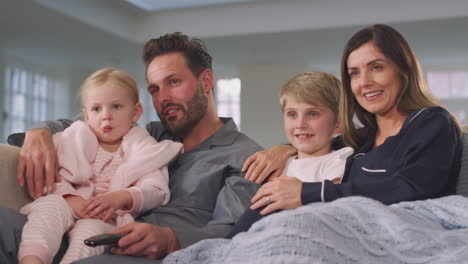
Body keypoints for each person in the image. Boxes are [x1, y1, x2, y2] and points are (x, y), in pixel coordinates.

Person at [0, 33, 262, 263]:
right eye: (154, 89)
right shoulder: (148, 134)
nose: (163, 98)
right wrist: (40, 132)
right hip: (81, 227)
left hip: (154, 253)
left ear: (206, 82)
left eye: (173, 82)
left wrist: (170, 238)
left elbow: (235, 229)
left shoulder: (244, 156)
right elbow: (84, 126)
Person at [241, 24, 462, 216]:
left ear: (403, 70)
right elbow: (315, 144)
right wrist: (284, 150)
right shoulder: (359, 138)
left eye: (376, 67)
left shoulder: (431, 122)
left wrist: (307, 193)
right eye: (354, 73)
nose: (363, 82)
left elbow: (411, 189)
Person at [19, 68, 183, 264]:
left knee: (90, 231)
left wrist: (122, 197)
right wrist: (72, 200)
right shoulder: (71, 140)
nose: (106, 116)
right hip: (69, 204)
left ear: (136, 112)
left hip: (108, 219)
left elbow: (156, 191)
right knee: (50, 208)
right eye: (97, 109)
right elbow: (52, 176)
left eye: (116, 106)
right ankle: (32, 260)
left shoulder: (144, 149)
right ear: (86, 116)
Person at [227, 71, 354, 237]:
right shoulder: (281, 164)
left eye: (313, 114)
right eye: (292, 114)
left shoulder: (338, 158)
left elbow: (332, 202)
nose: (300, 124)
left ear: (338, 124)